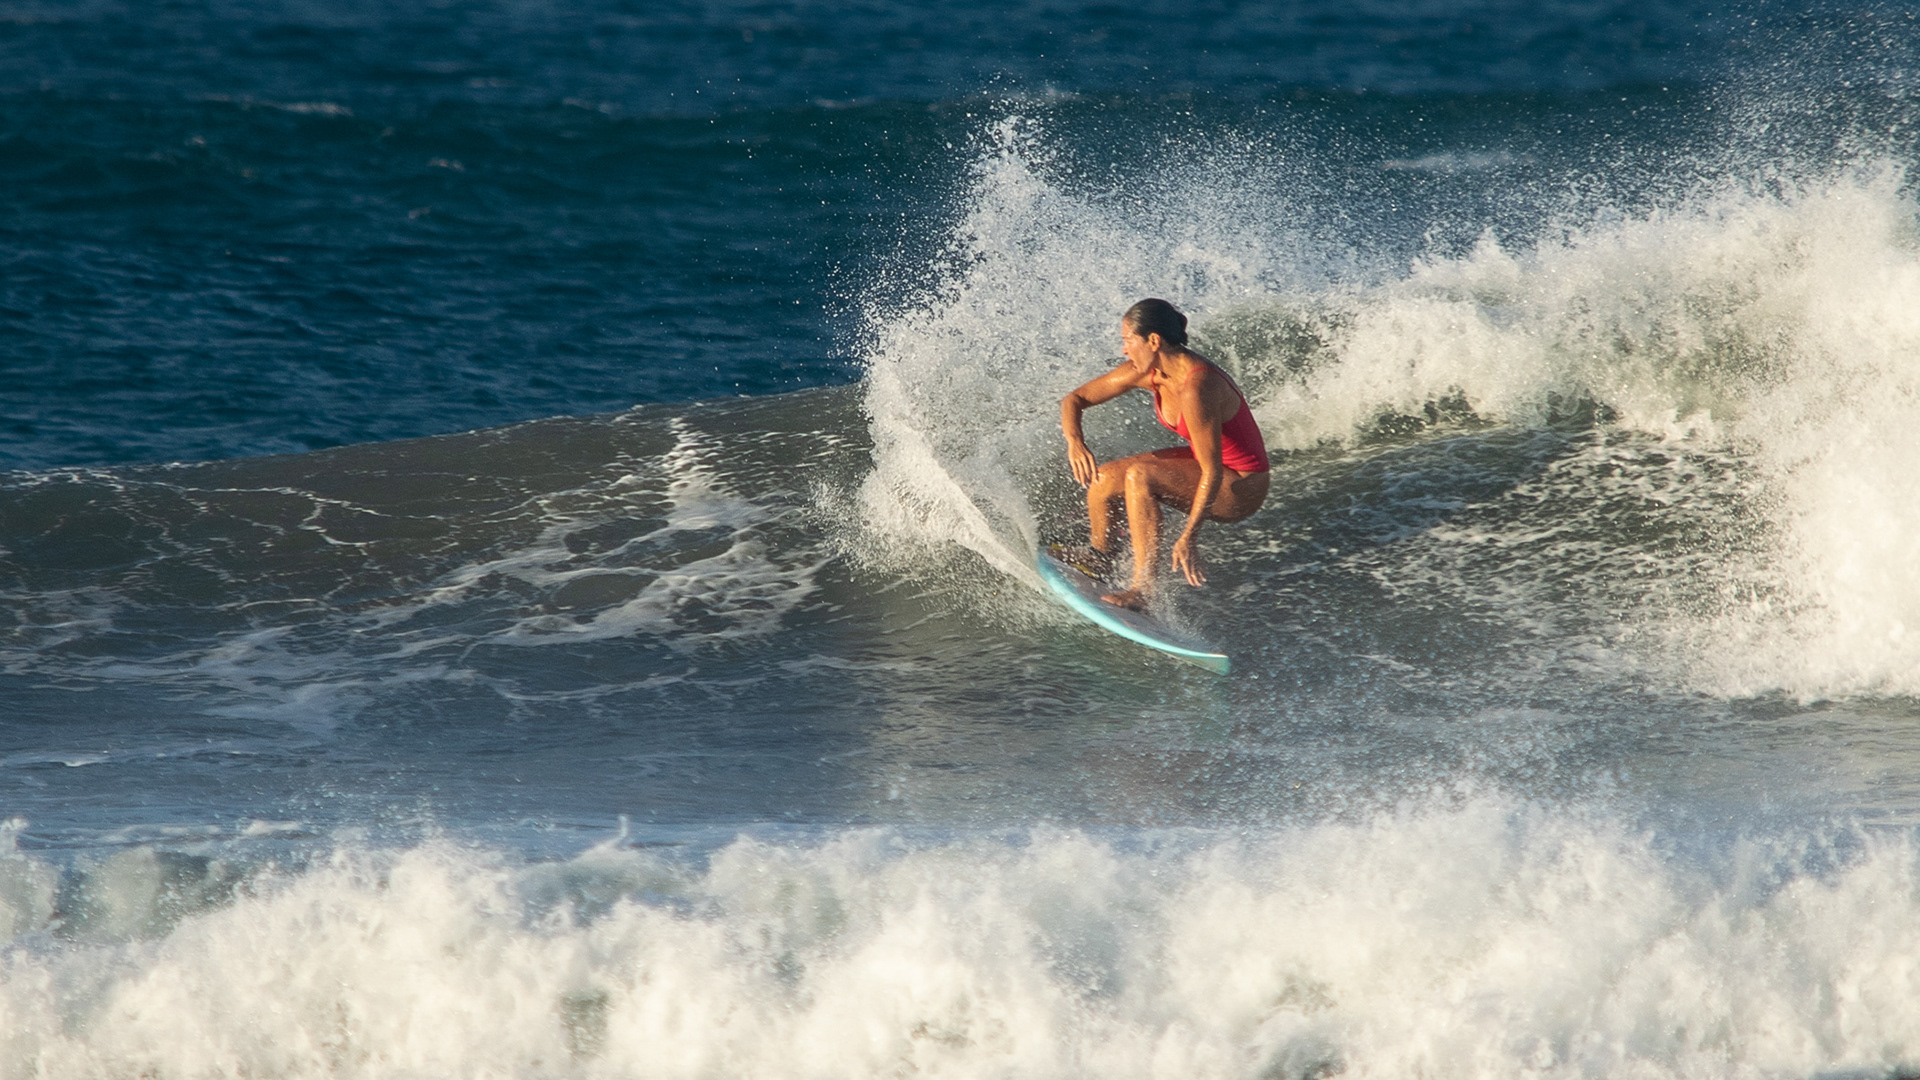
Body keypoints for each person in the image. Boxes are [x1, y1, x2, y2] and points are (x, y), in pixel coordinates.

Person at [1058, 299, 1270, 610]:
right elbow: (1075, 399)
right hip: (1208, 464)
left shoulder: (1197, 388)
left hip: (1241, 486)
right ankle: (1100, 557)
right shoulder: (1151, 373)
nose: (1124, 350)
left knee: (1140, 476)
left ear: (1154, 341)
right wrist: (1075, 441)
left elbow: (1211, 472)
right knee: (1104, 479)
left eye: (1128, 340)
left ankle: (1143, 590)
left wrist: (1188, 537)